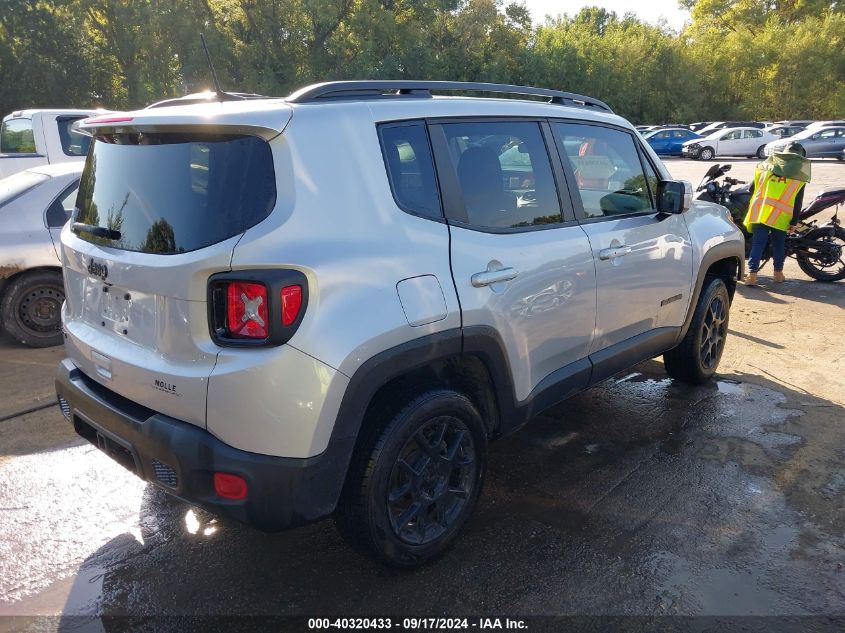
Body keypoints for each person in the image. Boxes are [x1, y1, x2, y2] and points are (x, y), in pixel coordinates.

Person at [743, 141, 811, 285]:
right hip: (780, 216)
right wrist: (794, 222)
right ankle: (778, 274)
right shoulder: (799, 177)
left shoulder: (765, 168)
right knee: (779, 245)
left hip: (760, 212)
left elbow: (750, 189)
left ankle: (751, 277)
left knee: (757, 245)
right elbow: (797, 202)